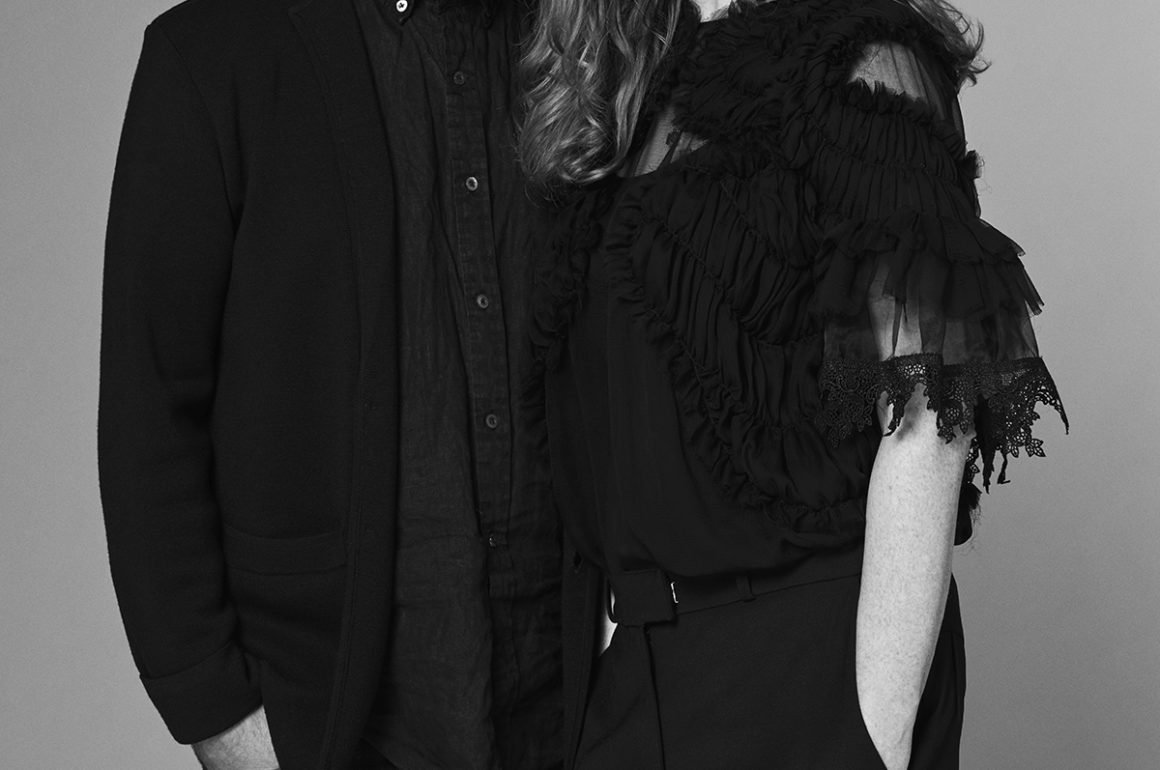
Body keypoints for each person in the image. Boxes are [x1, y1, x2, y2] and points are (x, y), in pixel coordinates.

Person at [520, 0, 1068, 768]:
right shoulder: (623, 81)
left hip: (813, 667)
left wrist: (872, 731)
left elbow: (929, 408)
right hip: (643, 676)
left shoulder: (862, 52)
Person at [98, 0, 563, 768]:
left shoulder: (568, 41)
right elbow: (148, 416)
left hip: (566, 708)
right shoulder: (214, 52)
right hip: (334, 722)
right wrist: (219, 718)